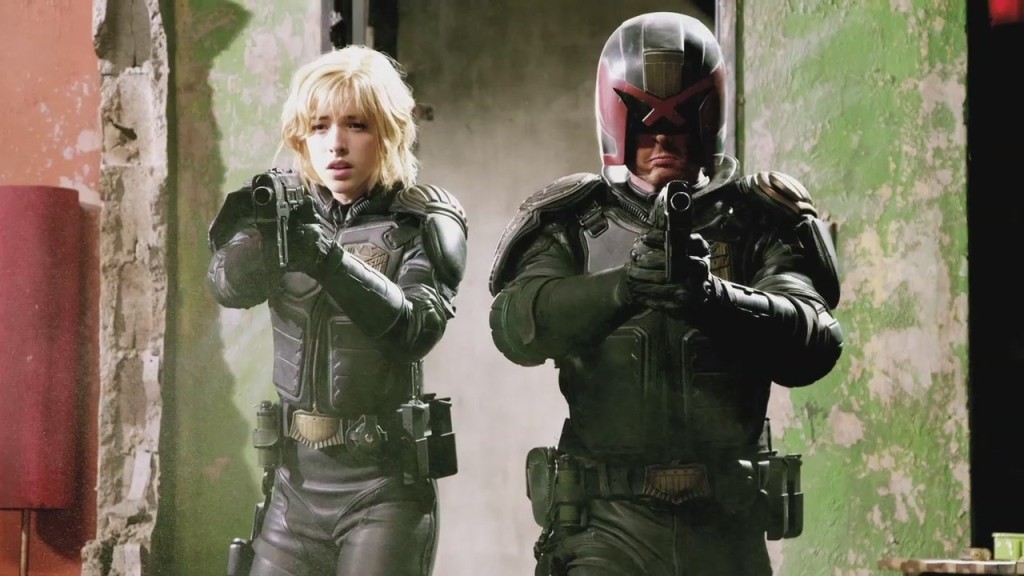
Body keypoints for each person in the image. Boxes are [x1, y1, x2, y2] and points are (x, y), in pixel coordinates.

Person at [488, 12, 843, 576]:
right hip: (604, 524)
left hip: (726, 522)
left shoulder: (759, 219)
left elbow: (815, 340)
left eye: (678, 130)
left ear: (706, 127)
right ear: (618, 126)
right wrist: (623, 288)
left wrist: (714, 299)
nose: (661, 143)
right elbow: (516, 325)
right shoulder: (573, 220)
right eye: (646, 129)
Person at [207, 45, 467, 576]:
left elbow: (415, 329)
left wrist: (327, 259)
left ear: (388, 132)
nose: (336, 144)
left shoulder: (422, 222)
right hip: (293, 487)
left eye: (356, 125)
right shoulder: (281, 212)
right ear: (301, 136)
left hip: (383, 489)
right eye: (319, 126)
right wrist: (270, 239)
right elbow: (225, 285)